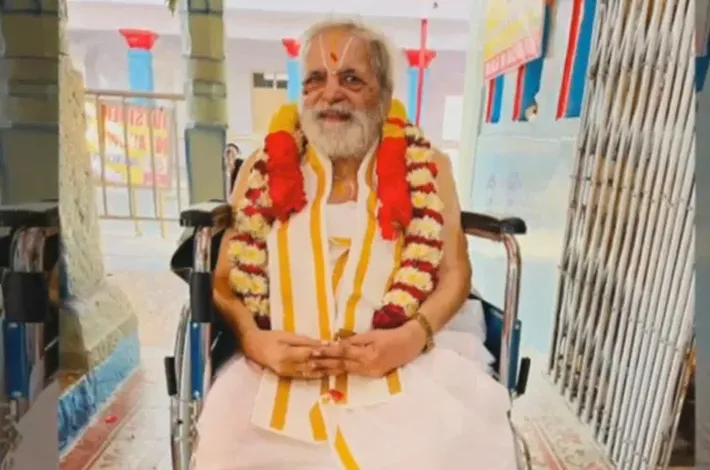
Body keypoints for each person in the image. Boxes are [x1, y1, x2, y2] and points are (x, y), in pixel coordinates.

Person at [195, 19, 518, 470]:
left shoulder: (427, 166)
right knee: (227, 447)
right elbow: (224, 282)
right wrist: (254, 341)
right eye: (315, 80)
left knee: (438, 450)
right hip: (276, 365)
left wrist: (411, 337)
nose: (330, 94)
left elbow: (455, 274)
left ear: (383, 95)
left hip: (404, 360)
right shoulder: (262, 167)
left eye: (351, 79)